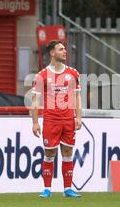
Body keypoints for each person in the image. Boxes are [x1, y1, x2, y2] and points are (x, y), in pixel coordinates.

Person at [31, 40, 82, 198]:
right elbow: (35, 101)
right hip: (51, 120)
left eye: (65, 49)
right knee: (49, 153)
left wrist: (78, 116)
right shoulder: (42, 76)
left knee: (68, 152)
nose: (65, 51)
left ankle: (68, 189)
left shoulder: (73, 73)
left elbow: (77, 96)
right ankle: (47, 189)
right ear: (52, 53)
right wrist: (35, 122)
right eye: (61, 49)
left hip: (68, 120)